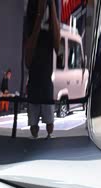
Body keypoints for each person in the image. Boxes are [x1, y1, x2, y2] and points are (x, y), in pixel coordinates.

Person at [24, 0, 60, 139]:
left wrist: (52, 6)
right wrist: (39, 16)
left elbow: (57, 46)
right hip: (34, 84)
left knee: (49, 125)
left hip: (45, 84)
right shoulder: (31, 30)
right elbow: (28, 60)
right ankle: (39, 139)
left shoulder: (49, 34)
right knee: (34, 127)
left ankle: (46, 137)